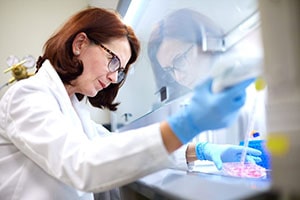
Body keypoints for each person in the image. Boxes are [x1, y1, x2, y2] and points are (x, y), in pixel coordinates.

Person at [0, 7, 256, 200]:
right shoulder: (27, 96)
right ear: (80, 44)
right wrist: (182, 126)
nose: (113, 78)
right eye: (113, 61)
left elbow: (111, 145)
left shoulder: (75, 110)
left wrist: (197, 151)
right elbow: (82, 164)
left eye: (120, 71)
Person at [148, 8, 264, 170]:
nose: (178, 77)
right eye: (169, 70)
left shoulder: (256, 89)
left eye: (179, 59)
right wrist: (201, 151)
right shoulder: (186, 106)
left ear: (207, 41)